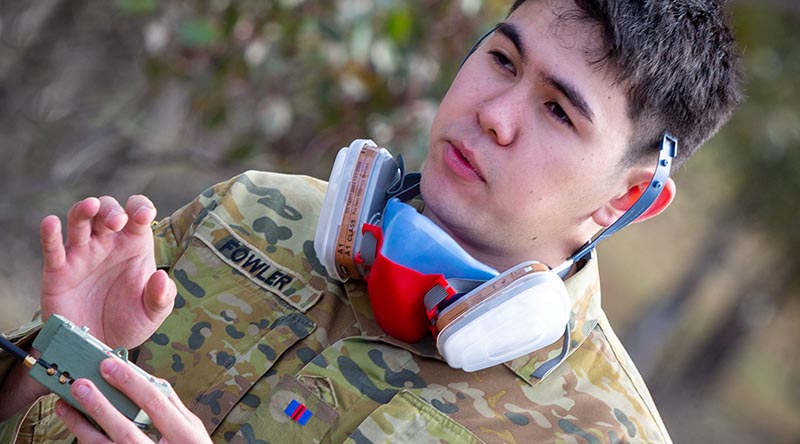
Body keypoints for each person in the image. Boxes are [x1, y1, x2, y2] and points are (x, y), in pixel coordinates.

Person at [0, 0, 741, 442]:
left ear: (625, 197)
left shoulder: (606, 434)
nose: (494, 113)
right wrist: (56, 363)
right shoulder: (252, 213)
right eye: (504, 61)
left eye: (556, 110)